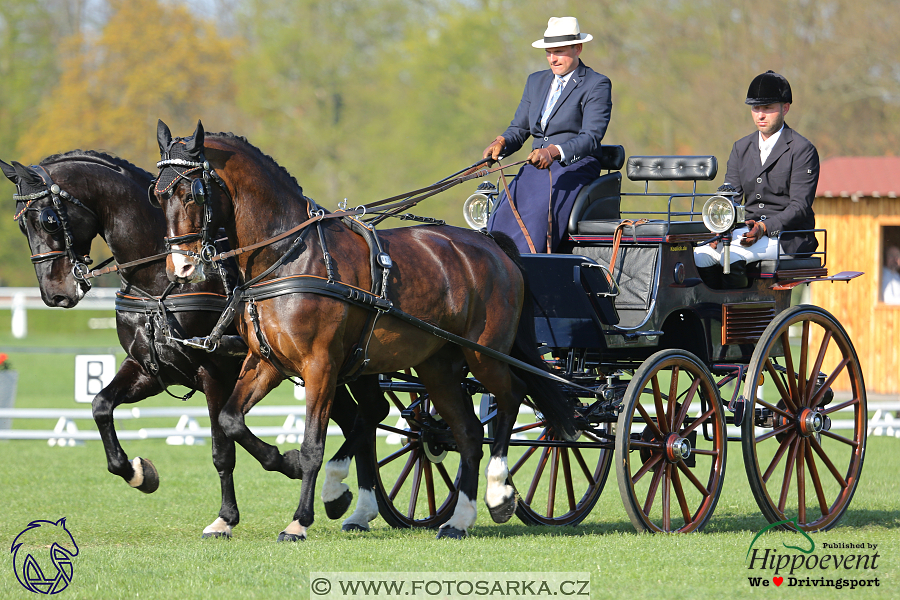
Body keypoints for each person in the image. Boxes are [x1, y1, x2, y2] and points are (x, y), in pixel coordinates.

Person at [483, 16, 612, 253]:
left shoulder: (596, 84)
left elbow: (592, 136)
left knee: (537, 211)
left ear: (578, 48)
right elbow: (519, 128)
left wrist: (553, 152)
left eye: (559, 52)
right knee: (503, 211)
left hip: (575, 165)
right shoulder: (536, 81)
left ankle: (529, 267)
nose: (553, 59)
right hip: (537, 167)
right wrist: (501, 142)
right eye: (549, 52)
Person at [694, 70, 819, 288]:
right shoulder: (741, 147)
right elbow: (730, 193)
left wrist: (764, 227)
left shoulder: (802, 150)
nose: (760, 115)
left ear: (785, 108)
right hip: (745, 232)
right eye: (755, 108)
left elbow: (799, 207)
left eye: (767, 108)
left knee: (731, 257)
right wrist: (720, 225)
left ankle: (741, 310)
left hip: (787, 236)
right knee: (700, 255)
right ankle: (712, 316)